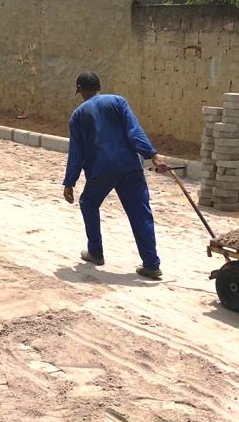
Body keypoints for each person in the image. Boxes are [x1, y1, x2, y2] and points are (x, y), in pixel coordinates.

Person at [63, 72, 167, 279]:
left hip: (101, 170)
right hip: (130, 167)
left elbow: (76, 152)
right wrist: (153, 155)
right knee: (140, 213)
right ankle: (151, 264)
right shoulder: (118, 101)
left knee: (88, 204)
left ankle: (95, 251)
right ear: (99, 86)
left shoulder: (78, 114)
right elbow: (134, 131)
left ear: (81, 90)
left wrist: (69, 182)